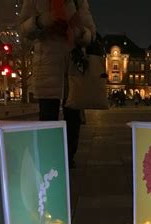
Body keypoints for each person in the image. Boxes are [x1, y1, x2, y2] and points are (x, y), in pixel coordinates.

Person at [20, 0, 96, 169]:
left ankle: (69, 158)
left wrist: (81, 33)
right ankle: (48, 158)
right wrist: (40, 21)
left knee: (73, 117)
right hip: (47, 66)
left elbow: (91, 32)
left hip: (72, 68)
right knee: (47, 117)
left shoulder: (78, 1)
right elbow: (23, 29)